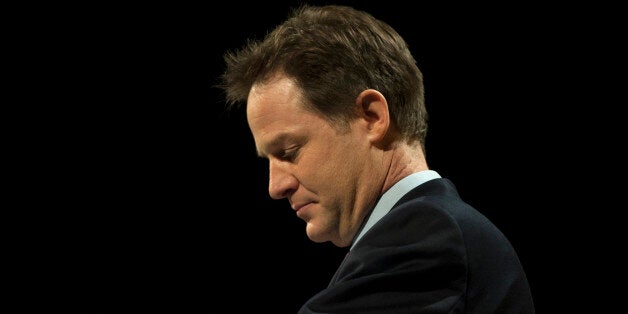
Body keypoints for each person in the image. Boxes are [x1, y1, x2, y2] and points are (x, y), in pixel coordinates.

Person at [219, 4, 534, 313]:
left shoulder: (429, 239)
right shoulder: (422, 236)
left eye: (289, 151)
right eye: (268, 161)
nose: (275, 186)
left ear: (372, 117)